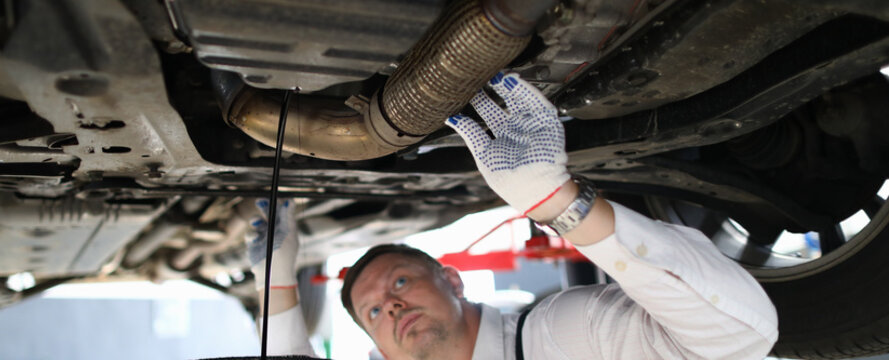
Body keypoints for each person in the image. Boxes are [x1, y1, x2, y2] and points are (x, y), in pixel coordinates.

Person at [246, 73, 778, 359]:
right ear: (378, 351)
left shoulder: (562, 335)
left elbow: (738, 337)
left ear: (452, 279)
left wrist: (558, 203)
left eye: (400, 282)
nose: (390, 307)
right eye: (374, 314)